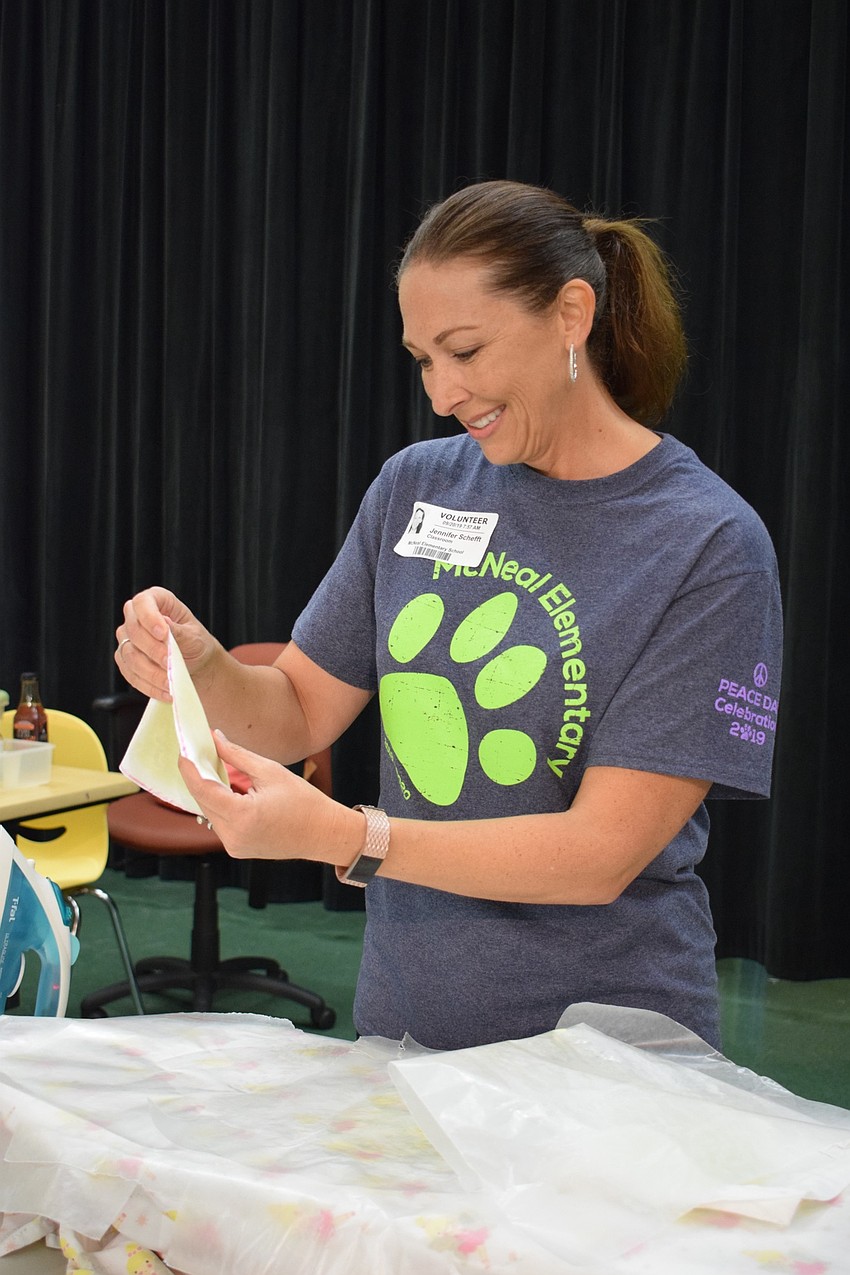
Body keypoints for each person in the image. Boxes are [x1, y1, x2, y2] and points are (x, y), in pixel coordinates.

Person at [116, 180, 782, 1052]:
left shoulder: (708, 542)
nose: (441, 392)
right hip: (407, 1026)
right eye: (423, 358)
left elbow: (599, 854)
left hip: (606, 1053)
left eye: (465, 351)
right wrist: (201, 668)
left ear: (572, 313)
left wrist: (349, 837)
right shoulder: (416, 485)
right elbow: (296, 711)